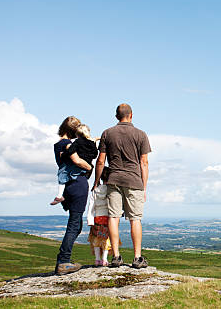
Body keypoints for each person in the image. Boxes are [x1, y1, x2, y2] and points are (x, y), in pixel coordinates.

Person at [94, 103, 151, 269]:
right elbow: (144, 162)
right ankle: (137, 258)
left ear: (116, 116)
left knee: (113, 216)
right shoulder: (141, 134)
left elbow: (100, 161)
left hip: (114, 179)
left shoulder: (107, 133)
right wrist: (144, 187)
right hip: (134, 180)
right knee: (135, 219)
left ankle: (116, 257)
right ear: (131, 115)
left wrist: (97, 181)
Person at [54, 116, 93, 276]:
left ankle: (62, 259)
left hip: (68, 187)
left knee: (76, 225)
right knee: (75, 225)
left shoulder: (58, 144)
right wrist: (89, 166)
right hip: (77, 185)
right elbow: (77, 161)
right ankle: (63, 262)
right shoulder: (68, 144)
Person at [51, 124, 99, 205]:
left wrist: (63, 154)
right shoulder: (91, 143)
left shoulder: (78, 142)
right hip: (87, 165)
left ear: (77, 134)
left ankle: (59, 196)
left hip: (78, 165)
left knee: (62, 174)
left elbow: (70, 151)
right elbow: (95, 155)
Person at [86, 167, 119, 266]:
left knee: (96, 239)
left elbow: (91, 206)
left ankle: (97, 259)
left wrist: (90, 219)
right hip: (108, 218)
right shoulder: (111, 190)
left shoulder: (95, 190)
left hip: (97, 217)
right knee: (106, 239)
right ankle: (104, 259)